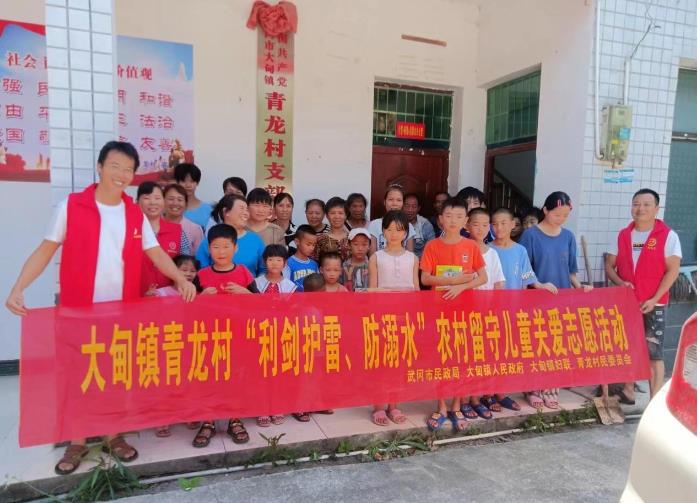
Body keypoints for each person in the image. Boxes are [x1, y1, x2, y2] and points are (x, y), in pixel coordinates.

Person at [5, 141, 196, 475]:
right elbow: (46, 249)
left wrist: (180, 278)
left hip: (121, 311)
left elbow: (155, 252)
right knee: (78, 375)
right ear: (100, 166)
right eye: (115, 166)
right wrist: (19, 287)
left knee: (116, 374)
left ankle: (113, 435)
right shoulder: (72, 206)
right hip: (79, 311)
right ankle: (77, 441)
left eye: (128, 169)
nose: (121, 174)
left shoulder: (133, 213)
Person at [605, 188, 681, 401]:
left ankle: (654, 402)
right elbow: (609, 265)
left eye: (646, 204)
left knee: (653, 353)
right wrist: (620, 282)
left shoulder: (667, 236)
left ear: (656, 208)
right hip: (626, 302)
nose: (640, 209)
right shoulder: (623, 235)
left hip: (654, 304)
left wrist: (654, 299)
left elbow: (673, 270)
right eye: (636, 204)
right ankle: (628, 390)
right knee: (628, 347)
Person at [519, 191, 593, 408]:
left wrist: (580, 287)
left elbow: (571, 270)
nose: (561, 219)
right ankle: (533, 388)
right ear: (545, 210)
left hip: (561, 300)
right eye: (557, 214)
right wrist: (538, 285)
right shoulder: (530, 235)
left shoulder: (568, 237)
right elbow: (523, 269)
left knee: (556, 345)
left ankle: (551, 387)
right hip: (535, 300)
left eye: (565, 215)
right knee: (536, 345)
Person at [420, 197, 487, 432]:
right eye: (448, 216)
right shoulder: (432, 246)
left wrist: (461, 287)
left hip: (465, 311)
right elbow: (425, 278)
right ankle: (441, 406)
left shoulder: (471, 246)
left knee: (461, 358)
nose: (453, 221)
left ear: (465, 220)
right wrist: (454, 280)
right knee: (440, 358)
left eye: (459, 216)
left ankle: (457, 405)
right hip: (439, 311)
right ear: (440, 219)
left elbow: (483, 277)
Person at [192, 224, 255, 448]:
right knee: (209, 378)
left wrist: (245, 293)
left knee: (237, 377)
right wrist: (201, 298)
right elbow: (187, 308)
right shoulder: (201, 275)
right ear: (208, 249)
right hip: (209, 338)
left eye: (226, 246)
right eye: (216, 246)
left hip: (238, 336)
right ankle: (208, 421)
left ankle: (234, 419)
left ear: (235, 248)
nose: (221, 251)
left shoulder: (244, 273)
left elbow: (261, 304)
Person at [490, 207, 557, 410]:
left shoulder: (520, 250)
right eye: (495, 224)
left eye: (503, 223)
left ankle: (501, 392)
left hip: (513, 310)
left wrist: (542, 285)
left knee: (506, 352)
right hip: (490, 310)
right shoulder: (487, 250)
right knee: (490, 352)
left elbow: (528, 277)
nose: (499, 227)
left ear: (513, 224)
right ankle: (487, 393)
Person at [367, 211, 418, 426]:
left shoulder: (413, 258)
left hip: (405, 318)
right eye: (389, 229)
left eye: (399, 230)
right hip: (382, 317)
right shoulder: (376, 257)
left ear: (406, 232)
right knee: (381, 363)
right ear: (383, 231)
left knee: (399, 364)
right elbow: (372, 290)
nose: (394, 234)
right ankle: (379, 406)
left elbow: (416, 290)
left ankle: (394, 405)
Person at [461, 208, 507, 419]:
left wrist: (494, 312)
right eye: (476, 224)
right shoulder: (461, 249)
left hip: (486, 313)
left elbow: (498, 284)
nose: (480, 229)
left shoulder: (492, 254)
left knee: (481, 358)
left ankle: (476, 398)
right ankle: (463, 399)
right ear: (467, 225)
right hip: (463, 313)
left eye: (485, 225)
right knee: (464, 358)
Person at [253, 244, 295, 427]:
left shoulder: (291, 287)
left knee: (279, 374)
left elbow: (294, 313)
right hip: (260, 336)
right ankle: (262, 408)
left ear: (285, 263)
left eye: (279, 259)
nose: (275, 263)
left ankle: (278, 406)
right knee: (261, 374)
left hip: (281, 337)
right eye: (271, 259)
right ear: (265, 261)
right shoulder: (256, 283)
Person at [196, 194, 265, 275]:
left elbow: (264, 270)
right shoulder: (210, 240)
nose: (246, 213)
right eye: (241, 208)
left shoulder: (255, 240)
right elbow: (200, 272)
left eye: (247, 210)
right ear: (226, 211)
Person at [137, 182, 186, 294]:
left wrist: (181, 282)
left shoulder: (177, 231)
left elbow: (186, 264)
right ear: (137, 201)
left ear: (163, 202)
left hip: (169, 296)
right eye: (147, 198)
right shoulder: (129, 230)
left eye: (157, 198)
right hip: (136, 295)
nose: (152, 202)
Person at [368, 185, 416, 254]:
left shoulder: (408, 226)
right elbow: (372, 255)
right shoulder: (374, 224)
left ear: (403, 203)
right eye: (390, 199)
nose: (394, 204)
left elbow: (410, 255)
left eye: (399, 200)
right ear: (384, 202)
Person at [163, 183, 203, 254]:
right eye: (171, 199)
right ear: (163, 201)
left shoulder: (195, 229)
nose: (175, 203)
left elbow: (199, 257)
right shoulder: (153, 225)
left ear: (186, 204)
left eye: (180, 200)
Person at [174, 163, 212, 229]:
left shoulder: (208, 210)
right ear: (177, 182)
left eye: (192, 181)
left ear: (197, 183)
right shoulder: (169, 209)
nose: (188, 185)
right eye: (183, 181)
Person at [283, 225, 319, 291]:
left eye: (314, 245)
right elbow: (285, 288)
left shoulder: (314, 264)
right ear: (297, 241)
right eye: (308, 244)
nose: (312, 248)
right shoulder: (288, 263)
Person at [314, 196, 350, 262]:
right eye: (332, 213)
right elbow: (315, 263)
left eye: (340, 213)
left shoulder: (352, 238)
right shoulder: (320, 240)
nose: (337, 216)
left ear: (346, 215)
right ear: (327, 216)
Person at [403, 193, 435, 258]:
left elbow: (432, 248)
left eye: (414, 207)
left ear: (418, 208)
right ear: (402, 206)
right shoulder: (395, 222)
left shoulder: (425, 225)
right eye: (407, 206)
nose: (410, 210)